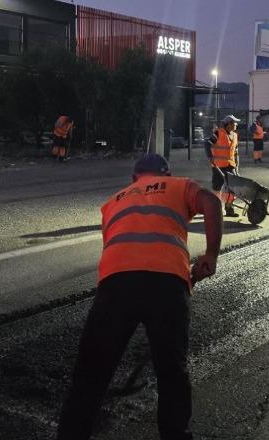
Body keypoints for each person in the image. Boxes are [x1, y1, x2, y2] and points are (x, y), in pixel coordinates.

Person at [56, 154, 224, 440]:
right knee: (172, 370)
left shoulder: (114, 202)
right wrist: (210, 254)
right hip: (168, 282)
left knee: (92, 372)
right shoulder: (177, 186)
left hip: (116, 283)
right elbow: (212, 202)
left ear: (134, 178)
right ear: (166, 174)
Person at [206, 115, 241, 217]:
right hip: (218, 165)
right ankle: (215, 209)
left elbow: (235, 152)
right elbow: (207, 144)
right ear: (229, 124)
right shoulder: (218, 133)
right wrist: (210, 157)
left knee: (233, 188)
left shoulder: (235, 135)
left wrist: (237, 166)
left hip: (231, 165)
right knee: (217, 187)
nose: (236, 125)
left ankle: (229, 208)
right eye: (235, 123)